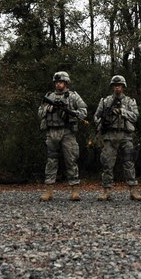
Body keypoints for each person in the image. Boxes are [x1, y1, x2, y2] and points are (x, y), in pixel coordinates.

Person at [38, 71, 88, 202]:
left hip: (67, 132)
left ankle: (74, 190)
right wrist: (48, 109)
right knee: (51, 161)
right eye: (56, 82)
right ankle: (48, 190)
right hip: (52, 132)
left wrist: (70, 113)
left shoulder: (73, 96)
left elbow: (83, 112)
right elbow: (40, 113)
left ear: (66, 83)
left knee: (71, 160)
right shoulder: (49, 96)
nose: (58, 84)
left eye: (61, 82)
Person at [94, 75, 141, 201]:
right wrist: (105, 118)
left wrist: (122, 112)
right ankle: (106, 190)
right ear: (112, 87)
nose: (117, 88)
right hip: (110, 135)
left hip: (126, 135)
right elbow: (96, 117)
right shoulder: (105, 101)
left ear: (123, 87)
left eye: (119, 85)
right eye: (115, 86)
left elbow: (135, 116)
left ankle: (133, 190)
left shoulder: (130, 101)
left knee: (129, 162)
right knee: (107, 163)